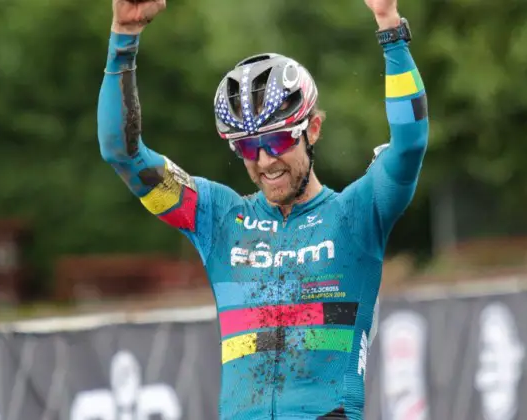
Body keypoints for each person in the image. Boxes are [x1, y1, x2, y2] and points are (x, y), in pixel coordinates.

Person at [97, 0, 428, 418]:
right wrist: (123, 39)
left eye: (278, 141)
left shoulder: (356, 215)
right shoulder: (218, 218)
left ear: (314, 129)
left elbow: (410, 145)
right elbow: (122, 154)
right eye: (248, 147)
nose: (266, 160)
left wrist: (389, 25)